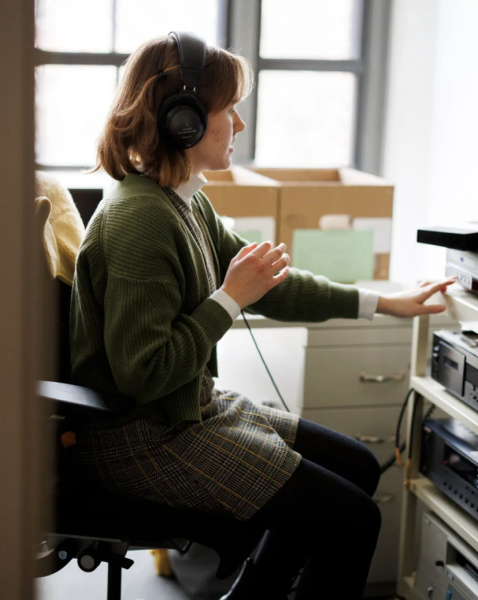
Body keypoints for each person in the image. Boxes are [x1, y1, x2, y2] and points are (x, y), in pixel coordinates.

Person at [68, 32, 456, 600]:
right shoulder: (139, 220)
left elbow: (268, 284)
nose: (240, 127)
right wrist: (227, 300)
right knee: (353, 518)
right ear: (185, 120)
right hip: (144, 439)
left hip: (186, 413)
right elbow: (142, 372)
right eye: (231, 110)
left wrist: (382, 303)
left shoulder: (185, 199)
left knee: (358, 469)